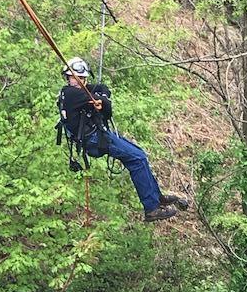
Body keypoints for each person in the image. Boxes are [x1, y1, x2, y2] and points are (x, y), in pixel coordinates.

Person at [57, 57, 188, 222]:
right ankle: (151, 208)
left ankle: (157, 197)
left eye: (82, 78)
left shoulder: (81, 91)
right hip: (94, 140)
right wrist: (101, 101)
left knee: (139, 154)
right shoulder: (71, 93)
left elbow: (103, 89)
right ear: (67, 78)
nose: (79, 81)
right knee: (137, 159)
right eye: (75, 78)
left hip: (99, 136)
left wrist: (101, 99)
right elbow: (101, 99)